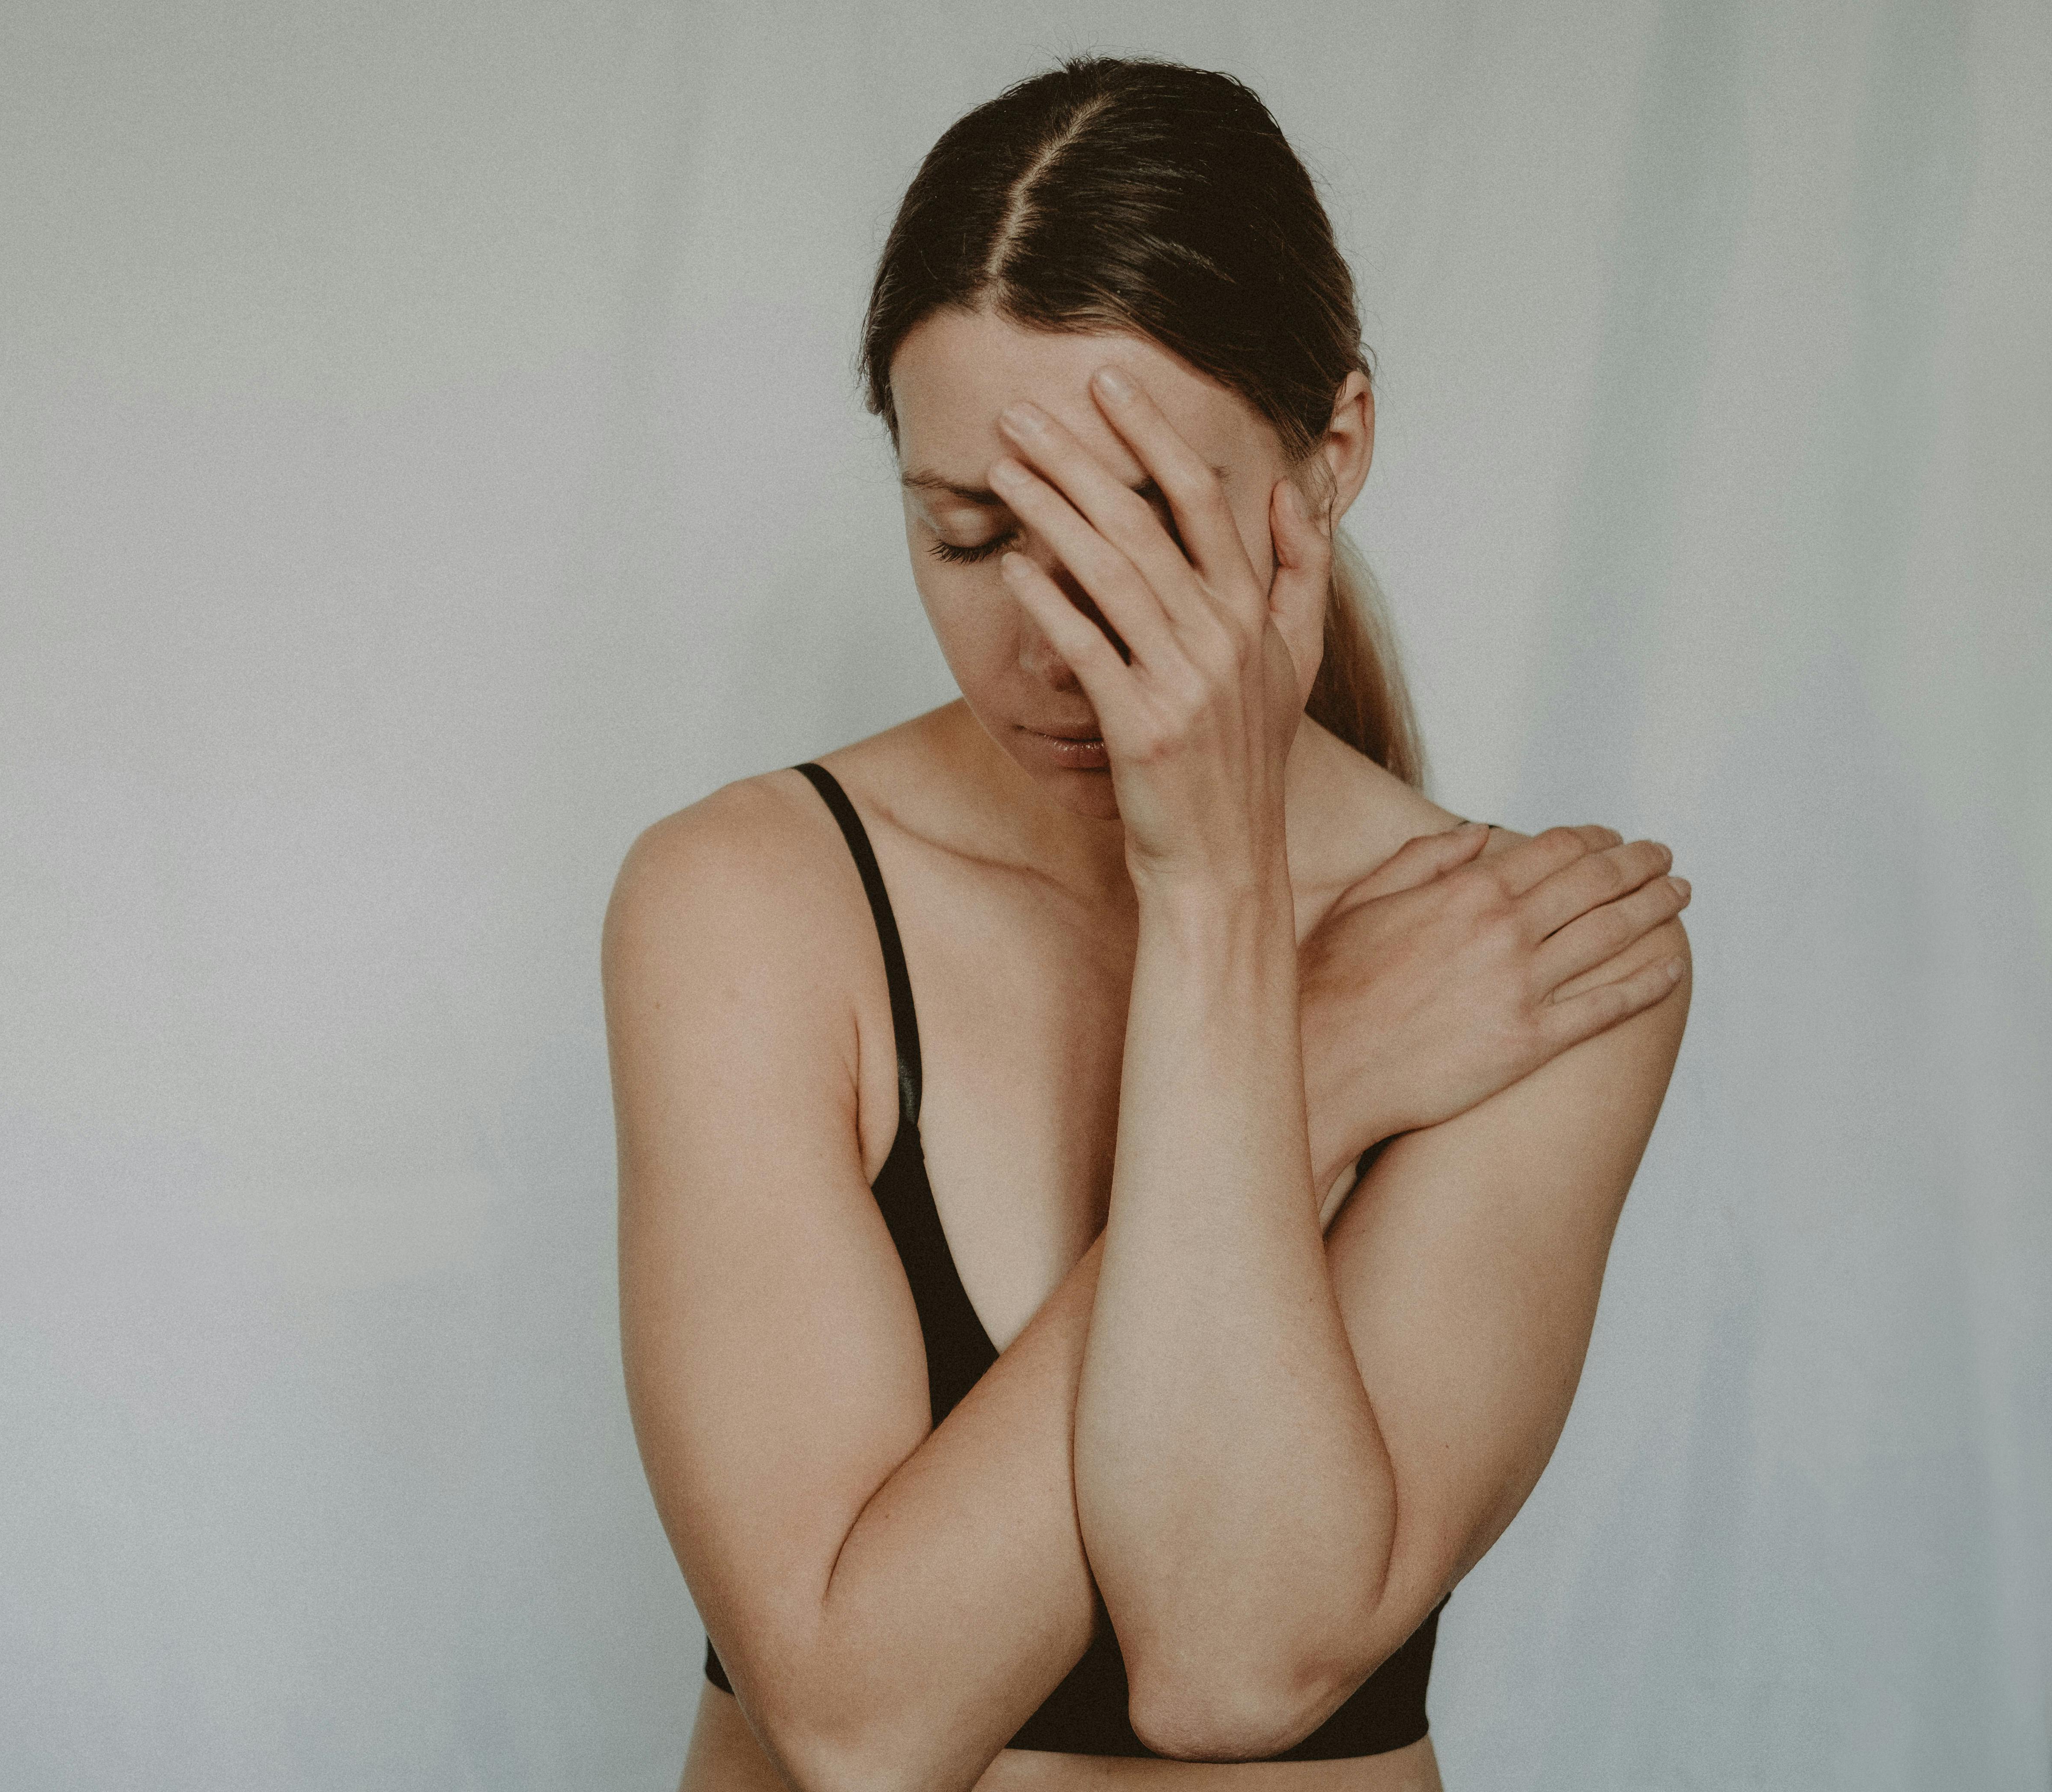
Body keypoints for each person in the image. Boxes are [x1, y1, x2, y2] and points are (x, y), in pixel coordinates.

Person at [602, 56, 1692, 1792]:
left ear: (1327, 457)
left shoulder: (1531, 953)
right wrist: (1317, 1062)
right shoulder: (747, 901)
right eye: (971, 534)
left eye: (1134, 534)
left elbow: (1233, 1651)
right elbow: (857, 1720)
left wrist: (1215, 898)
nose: (1049, 636)